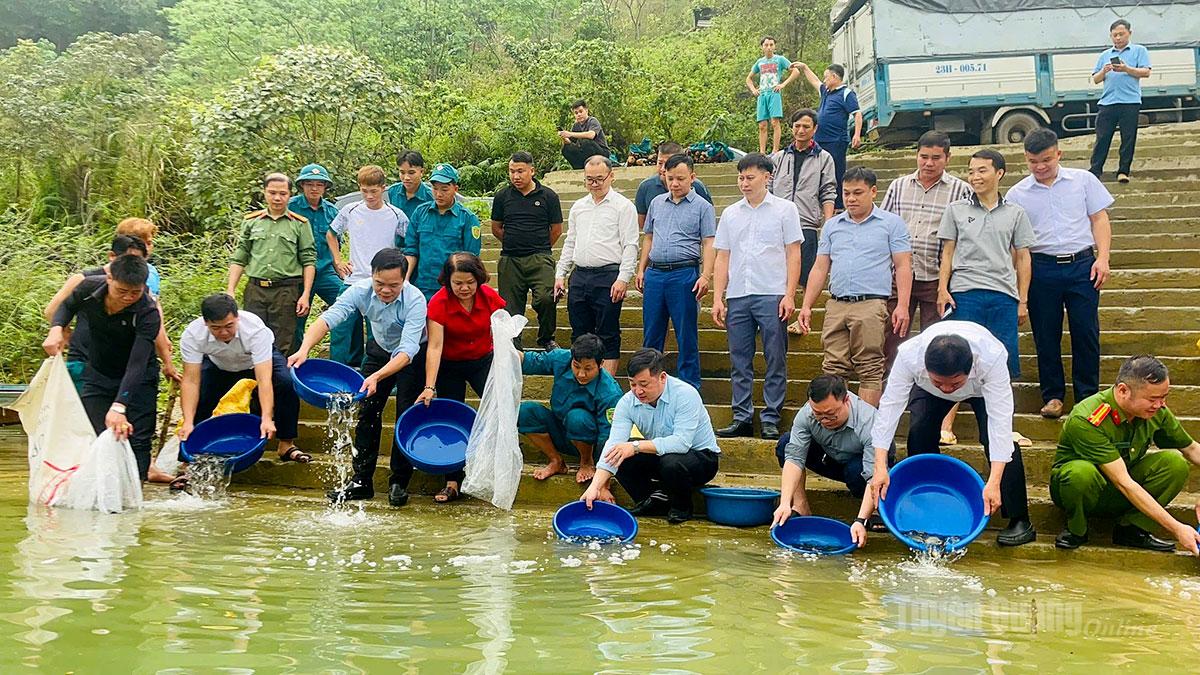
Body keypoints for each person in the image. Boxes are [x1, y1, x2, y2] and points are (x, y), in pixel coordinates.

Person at [289, 249, 434, 506]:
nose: (385, 290)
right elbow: (329, 318)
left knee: (404, 414)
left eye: (393, 285)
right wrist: (304, 349)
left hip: (411, 357)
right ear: (372, 275)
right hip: (379, 350)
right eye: (380, 283)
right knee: (368, 412)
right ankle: (361, 481)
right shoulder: (360, 290)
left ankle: (399, 481)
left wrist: (377, 376)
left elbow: (408, 350)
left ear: (404, 279)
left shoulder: (415, 299)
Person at [871, 322, 1036, 546]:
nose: (948, 389)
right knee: (919, 432)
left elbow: (1001, 423)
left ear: (970, 368)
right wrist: (880, 466)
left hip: (980, 390)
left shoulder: (991, 357)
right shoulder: (910, 356)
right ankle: (927, 505)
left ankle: (1020, 520)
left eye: (954, 383)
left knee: (997, 439)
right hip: (928, 391)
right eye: (940, 381)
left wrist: (994, 481)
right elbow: (889, 409)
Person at [1007, 128, 1113, 419]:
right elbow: (1017, 244)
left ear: (1058, 154)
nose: (1040, 167)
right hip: (1041, 268)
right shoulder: (1018, 193)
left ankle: (1088, 397)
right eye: (1032, 161)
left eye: (1046, 160)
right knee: (1045, 334)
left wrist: (1102, 259)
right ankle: (1053, 395)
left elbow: (1099, 219)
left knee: (1086, 332)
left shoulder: (1083, 181)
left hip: (1082, 265)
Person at [1052, 355, 1200, 554]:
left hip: (1124, 488)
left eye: (1164, 397)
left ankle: (1132, 529)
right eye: (1152, 399)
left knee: (1175, 463)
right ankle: (1077, 529)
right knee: (1080, 473)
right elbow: (1124, 482)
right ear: (1123, 390)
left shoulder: (1156, 411)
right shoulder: (1086, 418)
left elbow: (1191, 449)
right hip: (1084, 492)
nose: (1160, 405)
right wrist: (1177, 528)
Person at [795, 167, 911, 407]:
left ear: (873, 192)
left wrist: (903, 305)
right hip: (837, 302)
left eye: (858, 193)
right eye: (846, 193)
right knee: (833, 367)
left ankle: (868, 428)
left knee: (870, 366)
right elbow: (819, 267)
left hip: (871, 303)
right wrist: (806, 305)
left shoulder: (891, 224)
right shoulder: (832, 225)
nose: (851, 199)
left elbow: (902, 265)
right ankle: (836, 423)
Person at [42, 254, 160, 480]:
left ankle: (135, 496)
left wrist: (120, 405)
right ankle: (103, 490)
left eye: (135, 292)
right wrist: (57, 328)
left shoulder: (147, 312)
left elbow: (138, 362)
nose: (128, 298)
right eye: (122, 291)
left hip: (138, 379)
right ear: (109, 278)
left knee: (139, 439)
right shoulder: (88, 289)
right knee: (96, 433)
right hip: (98, 372)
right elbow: (66, 306)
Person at [711, 152, 802, 441]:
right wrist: (717, 297)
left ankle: (772, 417)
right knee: (739, 359)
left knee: (775, 356)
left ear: (767, 176)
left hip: (772, 292)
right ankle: (741, 416)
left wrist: (789, 294)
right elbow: (722, 256)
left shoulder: (785, 210)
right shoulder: (730, 213)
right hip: (738, 294)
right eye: (741, 177)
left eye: (750, 177)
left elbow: (793, 253)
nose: (744, 183)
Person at [580, 348, 721, 524]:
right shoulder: (626, 402)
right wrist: (595, 486)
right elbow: (614, 443)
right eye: (632, 384)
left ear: (662, 377)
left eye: (644, 384)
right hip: (660, 457)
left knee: (671, 462)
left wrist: (635, 446)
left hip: (700, 458)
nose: (638, 391)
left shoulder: (686, 394)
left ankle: (681, 507)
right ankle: (652, 500)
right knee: (616, 451)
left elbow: (681, 443)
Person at [937, 148, 1035, 379]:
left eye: (982, 170)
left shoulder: (1016, 213)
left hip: (1003, 295)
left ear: (999, 173)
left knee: (1002, 362)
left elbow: (1023, 257)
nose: (975, 177)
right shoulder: (955, 210)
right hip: (965, 292)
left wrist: (1023, 300)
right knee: (961, 360)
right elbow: (947, 253)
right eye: (971, 172)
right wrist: (942, 290)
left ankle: (996, 414)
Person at [178, 294, 308, 466]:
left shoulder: (254, 330)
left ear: (237, 317)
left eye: (229, 326)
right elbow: (190, 381)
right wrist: (187, 421)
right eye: (215, 328)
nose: (223, 332)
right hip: (219, 364)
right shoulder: (193, 335)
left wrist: (267, 418)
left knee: (285, 383)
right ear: (205, 323)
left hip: (254, 363)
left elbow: (264, 379)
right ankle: (188, 458)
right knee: (202, 397)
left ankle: (286, 444)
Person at [880, 131, 972, 371]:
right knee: (892, 336)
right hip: (898, 275)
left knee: (934, 337)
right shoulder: (898, 186)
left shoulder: (961, 190)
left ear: (947, 158)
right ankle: (892, 383)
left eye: (936, 158)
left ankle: (927, 386)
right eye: (924, 157)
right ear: (916, 156)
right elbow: (883, 226)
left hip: (936, 276)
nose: (929, 163)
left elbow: (964, 235)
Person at [770, 375, 894, 547]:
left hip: (862, 468)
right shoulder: (806, 414)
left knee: (856, 471)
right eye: (818, 415)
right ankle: (801, 506)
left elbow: (874, 476)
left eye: (830, 414)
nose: (824, 420)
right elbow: (795, 458)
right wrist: (784, 502)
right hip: (830, 458)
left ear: (847, 400)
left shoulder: (870, 421)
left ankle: (874, 510)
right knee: (785, 444)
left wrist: (860, 520)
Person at [636, 153, 716, 391]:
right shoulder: (656, 203)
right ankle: (649, 383)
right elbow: (648, 237)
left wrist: (705, 276)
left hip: (684, 274)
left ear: (692, 177)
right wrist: (641, 269)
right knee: (651, 334)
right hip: (655, 275)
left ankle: (689, 387)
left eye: (680, 178)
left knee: (686, 334)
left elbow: (709, 242)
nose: (675, 183)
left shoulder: (703, 207)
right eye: (670, 178)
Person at [555, 156, 639, 375]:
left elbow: (630, 245)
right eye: (589, 179)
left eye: (599, 179)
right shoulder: (578, 207)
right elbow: (570, 241)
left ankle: (606, 386)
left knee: (607, 332)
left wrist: (623, 279)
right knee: (579, 333)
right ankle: (581, 380)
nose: (594, 184)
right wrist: (560, 273)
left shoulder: (623, 207)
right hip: (580, 275)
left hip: (608, 275)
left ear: (611, 176)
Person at [327, 165, 409, 367]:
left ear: (383, 188)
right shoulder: (350, 210)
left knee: (379, 333)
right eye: (365, 191)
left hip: (382, 283)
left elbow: (410, 243)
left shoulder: (396, 214)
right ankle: (338, 371)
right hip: (353, 279)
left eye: (374, 191)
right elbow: (331, 234)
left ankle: (374, 374)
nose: (369, 196)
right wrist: (338, 260)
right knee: (340, 327)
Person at [227, 172, 316, 355]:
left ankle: (280, 381)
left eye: (283, 193)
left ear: (290, 195)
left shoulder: (299, 224)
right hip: (256, 289)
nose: (277, 198)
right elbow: (240, 256)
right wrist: (230, 290)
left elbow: (308, 260)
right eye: (272, 193)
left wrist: (305, 294)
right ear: (264, 193)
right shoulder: (251, 222)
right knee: (252, 337)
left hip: (286, 290)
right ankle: (255, 381)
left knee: (283, 342)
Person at [519, 333, 624, 483]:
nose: (581, 374)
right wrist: (507, 351)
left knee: (577, 417)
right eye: (576, 366)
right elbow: (531, 361)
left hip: (589, 442)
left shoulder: (610, 393)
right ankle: (556, 461)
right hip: (560, 430)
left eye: (588, 368)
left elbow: (607, 438)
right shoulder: (562, 358)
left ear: (600, 365)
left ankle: (586, 462)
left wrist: (603, 481)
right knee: (524, 412)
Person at [768, 107, 837, 321]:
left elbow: (828, 191)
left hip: (806, 222)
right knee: (776, 272)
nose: (801, 130)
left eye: (806, 126)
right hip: (777, 224)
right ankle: (773, 314)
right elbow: (768, 188)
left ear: (815, 129)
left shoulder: (824, 158)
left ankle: (804, 316)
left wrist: (828, 223)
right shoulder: (779, 158)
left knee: (807, 273)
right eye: (797, 126)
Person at [491, 151, 564, 350]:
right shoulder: (502, 196)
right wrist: (514, 241)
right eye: (512, 171)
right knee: (510, 306)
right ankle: (514, 345)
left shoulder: (548, 196)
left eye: (520, 171)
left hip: (540, 258)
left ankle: (546, 337)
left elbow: (556, 230)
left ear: (532, 171)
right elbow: (496, 227)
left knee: (546, 298)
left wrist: (539, 245)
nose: (516, 176)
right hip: (510, 260)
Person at [415, 252, 506, 409]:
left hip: (482, 361)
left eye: (470, 282)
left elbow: (503, 333)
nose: (464, 288)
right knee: (452, 411)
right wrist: (429, 387)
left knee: (498, 404)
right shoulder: (438, 302)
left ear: (478, 279)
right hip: (449, 365)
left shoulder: (489, 296)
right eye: (457, 283)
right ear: (448, 281)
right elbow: (435, 347)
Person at [288, 163, 345, 355]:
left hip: (325, 271)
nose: (314, 188)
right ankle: (295, 360)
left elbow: (337, 245)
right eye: (309, 184)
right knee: (296, 318)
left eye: (319, 184)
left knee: (345, 303)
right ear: (302, 185)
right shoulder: (291, 207)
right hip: (298, 273)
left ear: (325, 187)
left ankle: (339, 359)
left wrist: (341, 270)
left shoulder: (331, 211)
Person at [404, 163, 483, 299]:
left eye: (444, 189)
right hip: (422, 287)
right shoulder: (420, 213)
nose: (438, 194)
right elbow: (411, 250)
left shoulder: (467, 219)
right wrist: (405, 280)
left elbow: (471, 260)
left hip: (452, 290)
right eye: (435, 189)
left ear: (455, 189)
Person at [1090, 19, 1152, 183]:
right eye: (1114, 35)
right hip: (1107, 102)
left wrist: (1126, 69)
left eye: (1121, 34)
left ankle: (1123, 171)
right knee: (1102, 137)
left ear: (1129, 33)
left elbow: (1146, 72)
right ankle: (1095, 170)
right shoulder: (1105, 55)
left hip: (1130, 102)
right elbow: (1095, 79)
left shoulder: (1139, 50)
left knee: (1128, 137)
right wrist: (1104, 70)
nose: (1118, 38)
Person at [795, 62, 862, 210]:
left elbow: (857, 114)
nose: (824, 80)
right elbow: (814, 81)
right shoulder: (826, 92)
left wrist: (856, 135)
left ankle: (838, 205)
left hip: (836, 140)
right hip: (819, 140)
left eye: (826, 77)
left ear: (834, 77)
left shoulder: (846, 93)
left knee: (836, 172)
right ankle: (820, 202)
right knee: (817, 171)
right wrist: (805, 67)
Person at [634, 142, 714, 229]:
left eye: (669, 164)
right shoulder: (645, 187)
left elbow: (708, 220)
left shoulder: (697, 187)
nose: (663, 169)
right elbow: (641, 223)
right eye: (660, 163)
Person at [745, 36, 800, 155]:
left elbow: (796, 71)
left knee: (775, 121)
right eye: (766, 45)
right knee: (762, 125)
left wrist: (783, 84)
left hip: (774, 93)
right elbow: (749, 79)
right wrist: (753, 89)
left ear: (774, 46)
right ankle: (762, 152)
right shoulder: (759, 62)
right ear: (762, 47)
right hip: (762, 94)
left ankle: (775, 150)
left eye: (771, 45)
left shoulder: (780, 59)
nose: (769, 47)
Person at [559, 99, 612, 170]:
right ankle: (579, 168)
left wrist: (570, 134)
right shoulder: (576, 126)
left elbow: (591, 135)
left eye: (581, 111)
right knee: (566, 149)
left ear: (586, 110)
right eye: (576, 113)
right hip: (585, 153)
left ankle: (593, 167)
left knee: (586, 142)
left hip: (602, 152)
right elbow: (571, 142)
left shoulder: (592, 121)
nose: (579, 114)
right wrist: (564, 136)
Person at [387, 150, 435, 222]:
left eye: (411, 173)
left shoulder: (431, 197)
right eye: (402, 172)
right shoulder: (393, 191)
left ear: (421, 172)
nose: (406, 178)